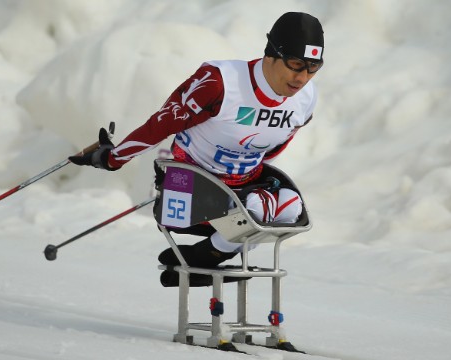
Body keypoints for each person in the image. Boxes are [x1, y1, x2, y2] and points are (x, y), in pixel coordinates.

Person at [69, 12, 324, 275]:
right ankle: (214, 250)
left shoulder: (306, 98)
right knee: (257, 210)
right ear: (271, 54)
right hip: (194, 182)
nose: (302, 78)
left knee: (291, 206)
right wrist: (113, 158)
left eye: (313, 67)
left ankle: (211, 252)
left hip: (242, 185)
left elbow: (275, 146)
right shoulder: (219, 82)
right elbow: (160, 125)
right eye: (295, 64)